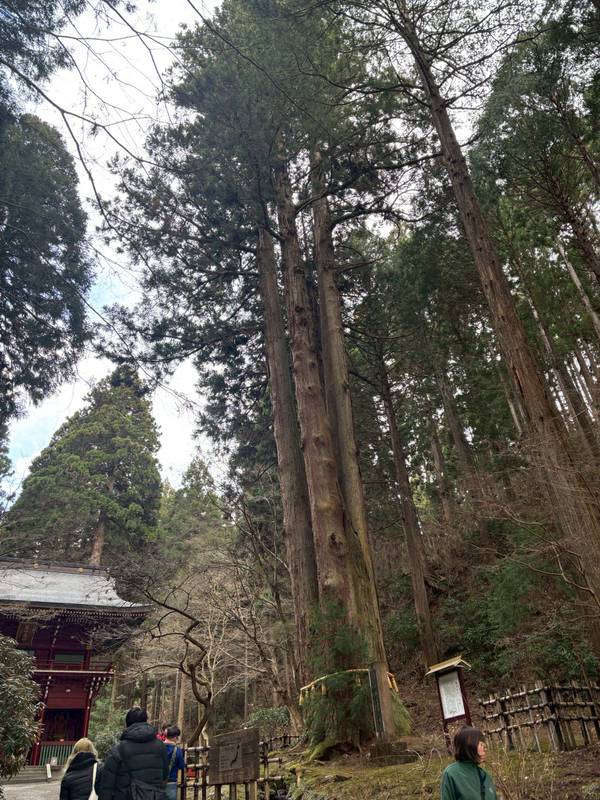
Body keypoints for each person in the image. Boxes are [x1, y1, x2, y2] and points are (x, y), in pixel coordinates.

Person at [95, 707, 169, 800]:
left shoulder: (119, 749)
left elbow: (107, 786)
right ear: (146, 721)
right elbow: (165, 774)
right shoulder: (160, 746)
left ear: (127, 724)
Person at [441, 726, 497, 800]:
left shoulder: (485, 775)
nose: (485, 748)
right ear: (469, 745)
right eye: (481, 744)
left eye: (484, 744)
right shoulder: (451, 774)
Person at [164, 726, 186, 800]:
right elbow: (181, 766)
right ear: (175, 737)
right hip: (171, 782)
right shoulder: (177, 750)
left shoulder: (158, 747)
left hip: (158, 782)